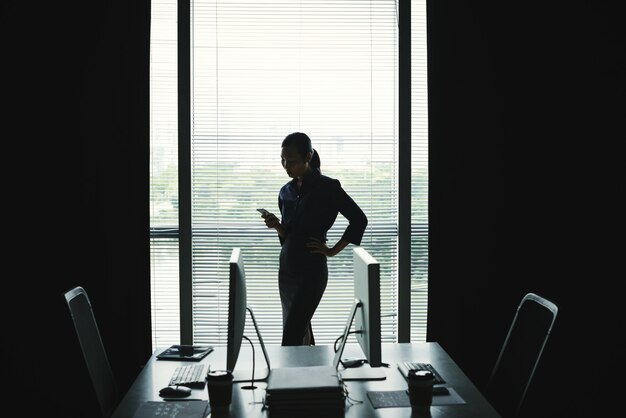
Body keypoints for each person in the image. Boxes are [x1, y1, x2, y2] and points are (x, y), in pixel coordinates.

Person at [260, 132, 368, 346]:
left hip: (311, 271)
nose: (285, 166)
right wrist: (277, 226)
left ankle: (291, 376)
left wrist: (331, 251)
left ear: (308, 156)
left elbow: (359, 219)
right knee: (299, 329)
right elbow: (290, 236)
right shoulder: (285, 191)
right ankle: (311, 372)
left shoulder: (328, 187)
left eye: (291, 161)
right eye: (282, 160)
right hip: (287, 271)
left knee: (291, 334)